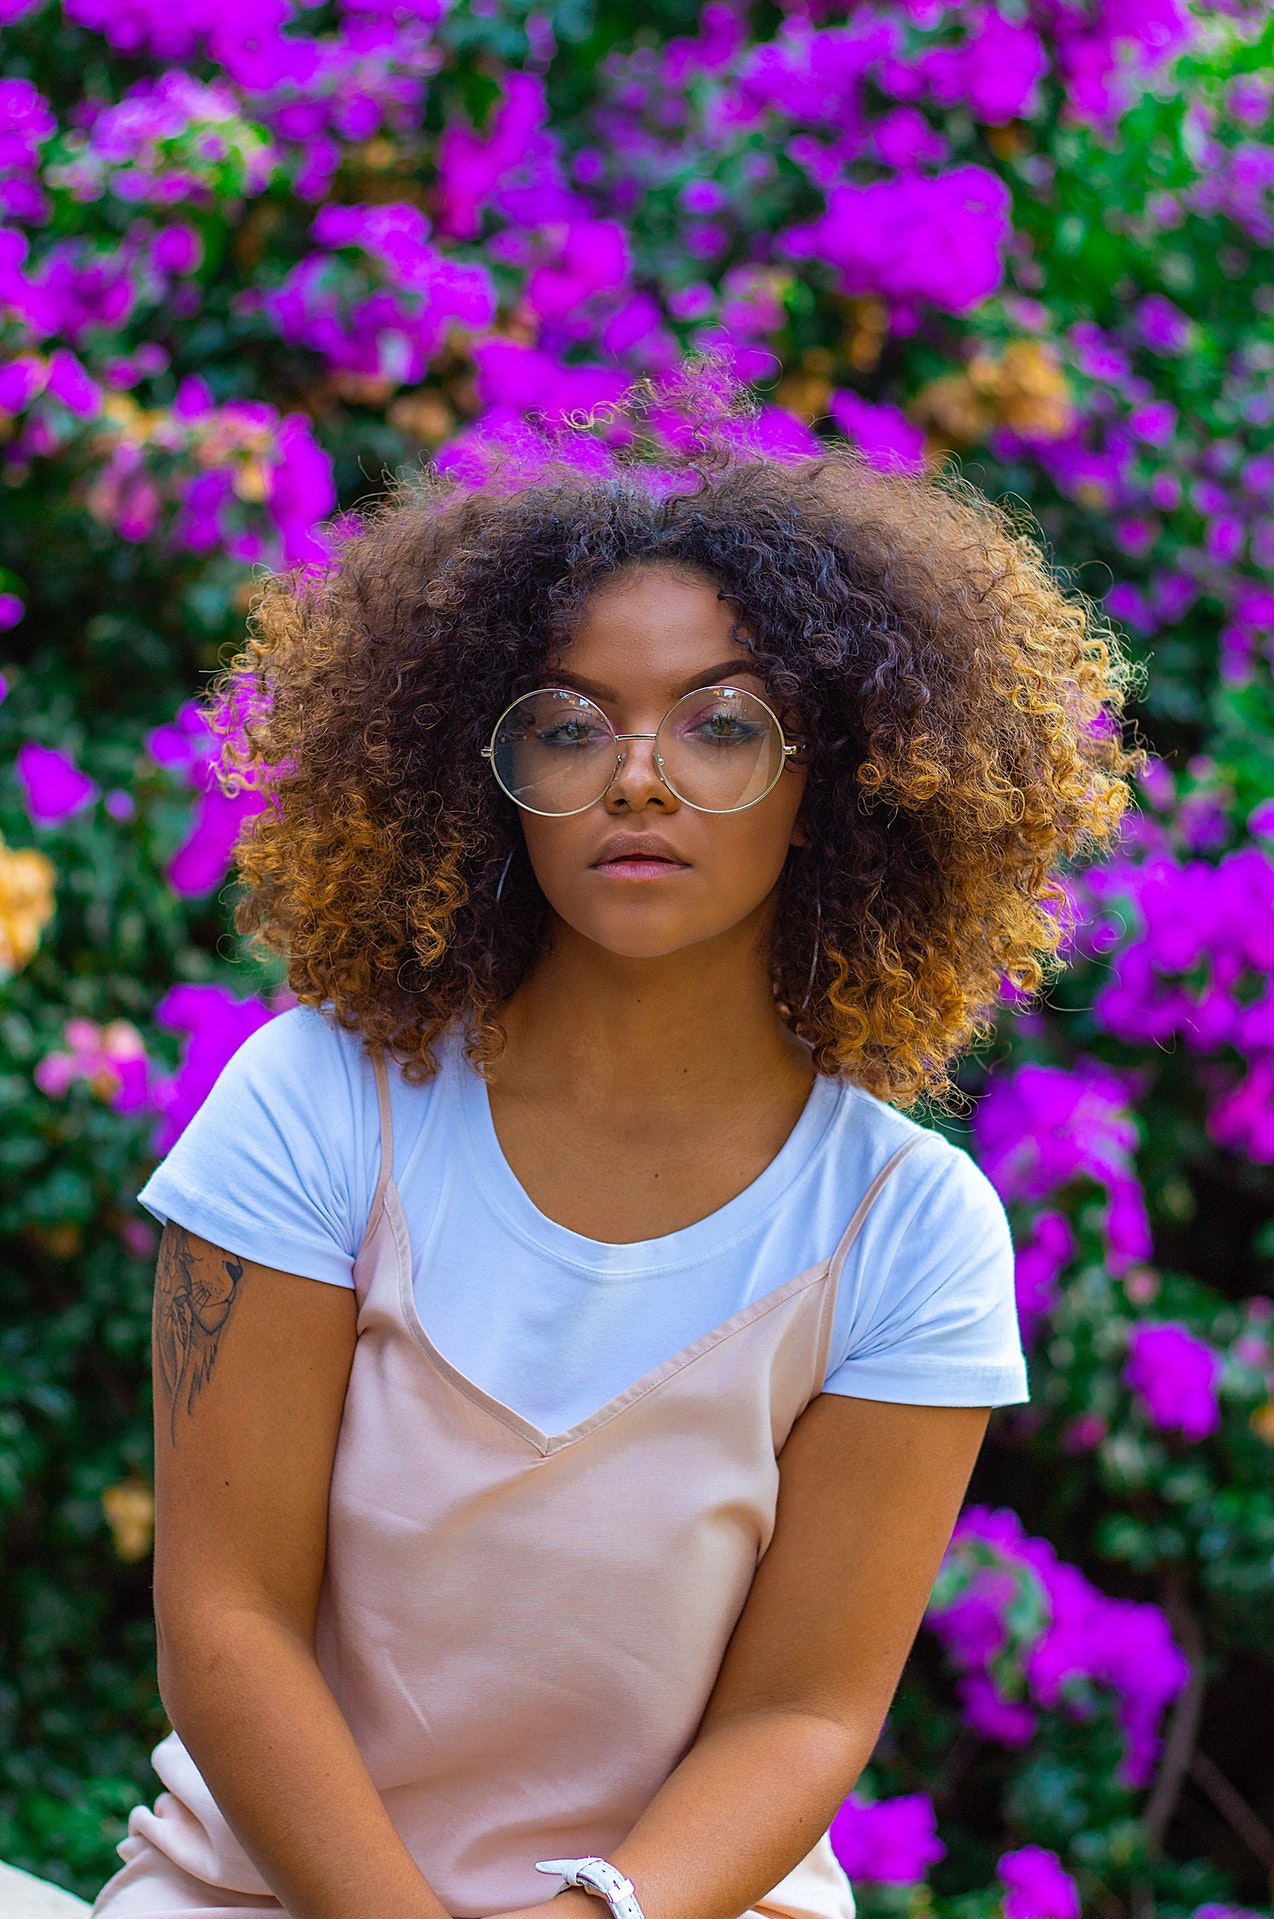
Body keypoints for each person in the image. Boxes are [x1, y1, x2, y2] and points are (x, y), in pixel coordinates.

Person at [92, 420, 1131, 1919]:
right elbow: (229, 1622)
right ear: (491, 772)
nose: (637, 777)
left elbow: (803, 1717)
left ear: (836, 778)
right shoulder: (317, 1105)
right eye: (571, 724)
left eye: (720, 724)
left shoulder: (909, 1232)